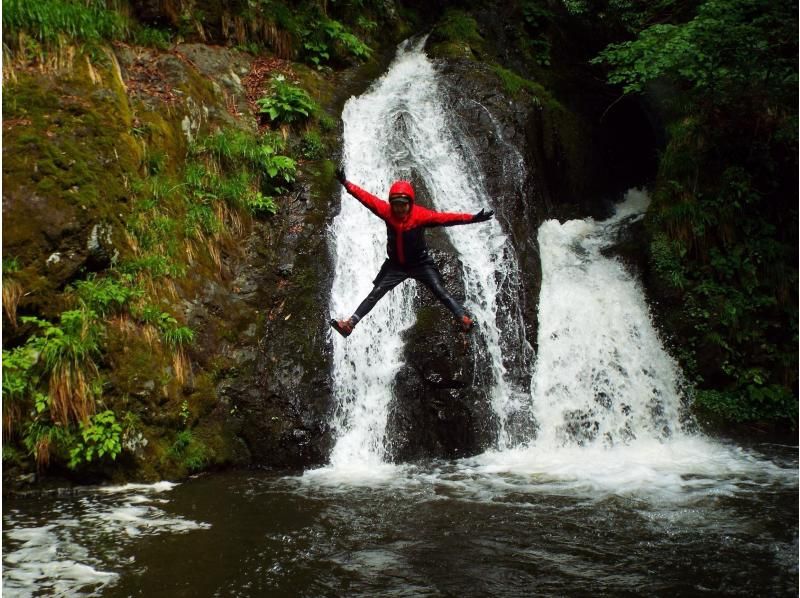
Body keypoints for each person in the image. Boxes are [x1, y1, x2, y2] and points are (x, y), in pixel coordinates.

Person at [330, 168, 494, 338]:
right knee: (375, 293)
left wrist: (472, 218)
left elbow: (446, 218)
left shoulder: (421, 216)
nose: (400, 209)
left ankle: (464, 319)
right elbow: (366, 198)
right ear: (391, 204)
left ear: (410, 203)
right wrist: (345, 183)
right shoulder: (387, 212)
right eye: (396, 205)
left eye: (403, 205)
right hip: (396, 266)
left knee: (439, 290)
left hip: (420, 264)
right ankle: (349, 325)